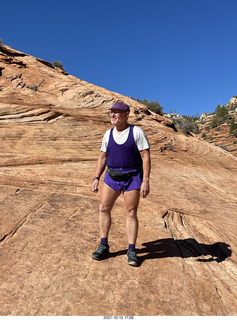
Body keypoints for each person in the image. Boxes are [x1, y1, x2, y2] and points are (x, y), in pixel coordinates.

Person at [91, 101, 151, 266]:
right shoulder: (108, 135)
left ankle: (131, 249)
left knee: (131, 212)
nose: (113, 115)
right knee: (104, 208)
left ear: (126, 115)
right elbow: (102, 157)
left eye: (117, 112)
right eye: (111, 112)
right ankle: (103, 245)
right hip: (112, 177)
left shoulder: (137, 132)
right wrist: (96, 178)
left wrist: (145, 181)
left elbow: (145, 156)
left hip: (132, 177)